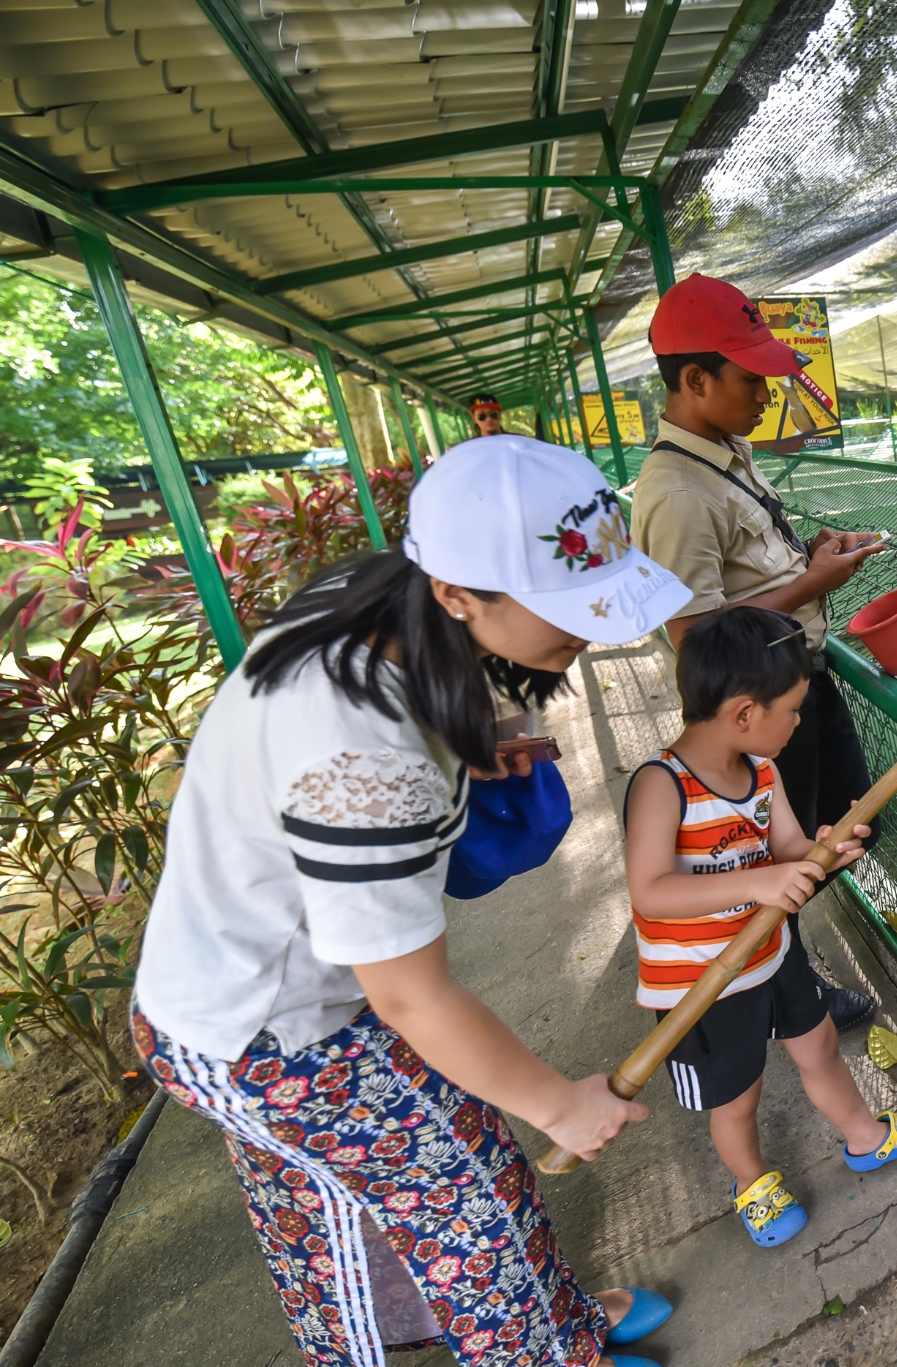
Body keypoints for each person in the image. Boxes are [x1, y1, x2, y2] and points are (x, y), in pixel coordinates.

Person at [132, 436, 690, 1367]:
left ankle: (546, 1326)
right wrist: (559, 1103)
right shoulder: (361, 755)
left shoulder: (369, 602)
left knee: (373, 1202)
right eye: (565, 610)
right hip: (272, 1030)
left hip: (221, 998)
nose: (588, 630)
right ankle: (547, 1350)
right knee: (468, 1193)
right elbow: (412, 997)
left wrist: (467, 737)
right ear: (458, 595)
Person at [622, 605, 897, 1248]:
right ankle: (753, 1183)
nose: (800, 722)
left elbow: (789, 847)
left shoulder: (762, 773)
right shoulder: (662, 786)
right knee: (737, 1098)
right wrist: (757, 882)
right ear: (745, 713)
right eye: (793, 709)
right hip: (699, 988)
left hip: (771, 954)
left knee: (821, 1047)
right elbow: (651, 893)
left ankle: (865, 1137)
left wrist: (826, 847)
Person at [629, 272, 888, 1033]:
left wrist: (811, 559)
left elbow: (749, 570)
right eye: (753, 378)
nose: (767, 393)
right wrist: (814, 580)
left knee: (851, 819)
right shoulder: (675, 490)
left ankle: (782, 963)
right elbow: (694, 632)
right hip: (760, 705)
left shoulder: (725, 448)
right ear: (696, 379)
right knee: (787, 856)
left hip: (796, 677)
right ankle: (788, 987)